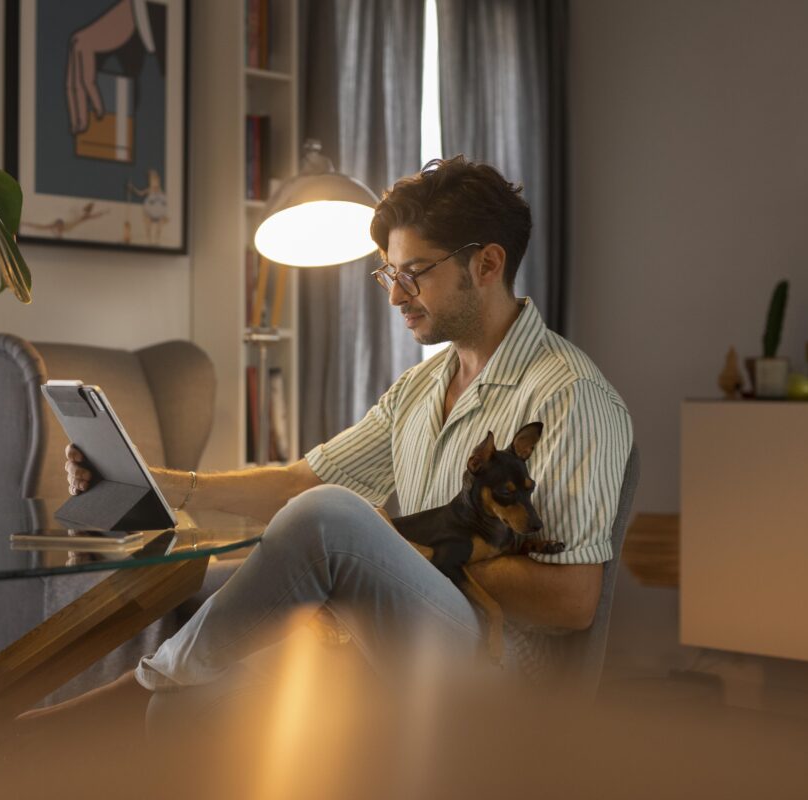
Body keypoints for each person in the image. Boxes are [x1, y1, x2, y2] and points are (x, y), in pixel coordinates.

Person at [65, 155, 632, 698]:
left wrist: (395, 551)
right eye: (389, 273)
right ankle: (135, 706)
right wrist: (156, 482)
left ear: (486, 264)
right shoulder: (421, 387)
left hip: (503, 672)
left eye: (413, 274)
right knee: (186, 697)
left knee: (331, 517)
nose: (394, 296)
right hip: (393, 648)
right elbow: (297, 485)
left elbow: (574, 600)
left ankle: (106, 705)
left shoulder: (569, 395)